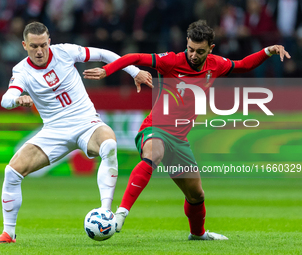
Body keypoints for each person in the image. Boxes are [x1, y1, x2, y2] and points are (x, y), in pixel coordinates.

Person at [83, 20, 290, 240]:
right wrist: (108, 70)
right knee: (154, 153)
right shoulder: (172, 61)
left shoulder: (216, 64)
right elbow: (134, 57)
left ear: (210, 49)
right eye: (190, 49)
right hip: (155, 128)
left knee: (196, 195)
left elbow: (243, 65)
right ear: (186, 44)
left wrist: (268, 50)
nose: (193, 55)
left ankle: (198, 234)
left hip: (180, 140)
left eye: (199, 51)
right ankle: (120, 215)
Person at [0, 21, 152, 244]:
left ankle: (105, 211)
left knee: (109, 144)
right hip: (54, 131)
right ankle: (8, 233)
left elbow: (104, 54)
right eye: (34, 46)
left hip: (87, 123)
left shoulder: (65, 52)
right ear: (24, 45)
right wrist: (17, 99)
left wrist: (134, 71)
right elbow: (5, 99)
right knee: (11, 172)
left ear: (49, 42)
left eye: (43, 45)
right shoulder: (21, 71)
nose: (39, 51)